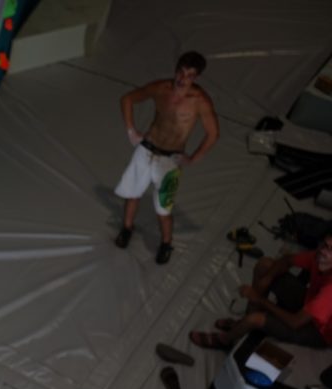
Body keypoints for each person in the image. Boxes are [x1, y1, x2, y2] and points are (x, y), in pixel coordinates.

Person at [113, 51, 220, 264]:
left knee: (164, 209)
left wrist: (193, 158)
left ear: (195, 78)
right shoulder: (161, 88)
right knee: (132, 194)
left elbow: (213, 133)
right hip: (146, 150)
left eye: (189, 75)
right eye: (180, 72)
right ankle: (126, 228)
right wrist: (131, 132)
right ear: (175, 70)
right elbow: (127, 99)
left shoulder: (199, 101)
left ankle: (166, 243)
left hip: (170, 160)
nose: (182, 79)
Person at [190, 228, 332, 350]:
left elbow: (295, 322)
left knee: (255, 319)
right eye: (325, 245)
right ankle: (244, 324)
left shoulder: (329, 292)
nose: (324, 252)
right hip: (309, 303)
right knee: (265, 264)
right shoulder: (319, 256)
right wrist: (267, 279)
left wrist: (260, 299)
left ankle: (225, 340)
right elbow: (287, 260)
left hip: (317, 332)